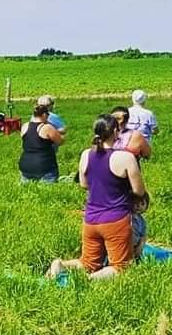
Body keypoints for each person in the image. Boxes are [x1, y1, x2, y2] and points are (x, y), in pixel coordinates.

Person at [47, 115, 146, 281]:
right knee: (121, 267)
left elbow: (84, 184)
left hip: (91, 218)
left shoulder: (86, 154)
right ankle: (90, 280)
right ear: (116, 131)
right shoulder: (125, 157)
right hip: (116, 220)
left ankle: (61, 264)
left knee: (87, 263)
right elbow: (139, 190)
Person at [19, 105, 64, 183]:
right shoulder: (47, 128)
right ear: (44, 115)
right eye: (48, 115)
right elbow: (60, 141)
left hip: (25, 167)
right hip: (44, 167)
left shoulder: (25, 126)